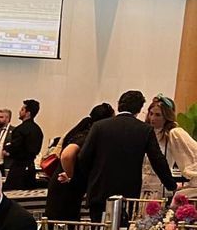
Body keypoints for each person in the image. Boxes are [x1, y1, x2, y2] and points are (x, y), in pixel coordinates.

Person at [73, 90, 177, 219]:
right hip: (128, 193)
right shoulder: (144, 130)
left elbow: (84, 157)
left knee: (98, 227)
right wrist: (171, 185)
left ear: (119, 105)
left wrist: (88, 179)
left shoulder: (99, 126)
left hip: (99, 190)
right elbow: (158, 160)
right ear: (139, 109)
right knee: (121, 228)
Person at [44, 103, 113, 221]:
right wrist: (71, 176)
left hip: (60, 184)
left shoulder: (80, 132)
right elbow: (67, 155)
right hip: (65, 185)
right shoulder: (87, 136)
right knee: (64, 221)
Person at [143, 95, 197, 191]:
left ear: (166, 117)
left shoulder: (174, 133)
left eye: (158, 115)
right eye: (151, 113)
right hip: (140, 186)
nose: (152, 118)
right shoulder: (144, 132)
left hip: (161, 186)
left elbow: (193, 153)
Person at [2, 99, 43, 190]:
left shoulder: (20, 129)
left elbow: (15, 147)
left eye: (22, 110)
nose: (19, 111)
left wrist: (8, 151)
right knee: (28, 192)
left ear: (28, 113)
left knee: (12, 192)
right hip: (31, 167)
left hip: (18, 168)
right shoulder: (38, 130)